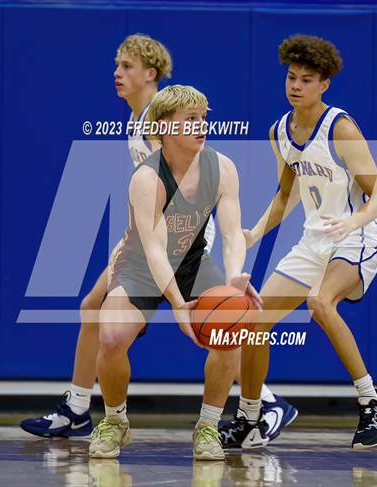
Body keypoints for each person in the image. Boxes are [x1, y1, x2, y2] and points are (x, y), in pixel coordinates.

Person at [20, 34, 296, 440]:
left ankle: (263, 401)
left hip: (186, 242)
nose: (117, 73)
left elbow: (182, 198)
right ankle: (78, 406)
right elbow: (152, 201)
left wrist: (206, 257)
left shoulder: (163, 123)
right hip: (153, 240)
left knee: (217, 320)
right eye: (117, 65)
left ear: (150, 74)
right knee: (95, 309)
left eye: (127, 66)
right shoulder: (137, 121)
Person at [220, 34, 377, 450]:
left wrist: (352, 222)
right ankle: (251, 419)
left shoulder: (340, 128)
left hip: (358, 234)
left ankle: (373, 403)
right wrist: (253, 233)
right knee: (253, 323)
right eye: (291, 77)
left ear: (324, 84)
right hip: (314, 239)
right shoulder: (280, 131)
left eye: (307, 79)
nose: (296, 86)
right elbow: (286, 194)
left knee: (320, 302)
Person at [88, 85, 261, 460]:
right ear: (164, 126)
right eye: (191, 119)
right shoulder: (147, 178)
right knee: (112, 335)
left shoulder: (222, 168)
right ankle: (115, 421)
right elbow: (153, 250)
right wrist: (179, 305)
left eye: (203, 118)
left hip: (193, 261)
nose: (202, 126)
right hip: (140, 265)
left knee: (230, 328)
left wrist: (234, 279)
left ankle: (208, 426)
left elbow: (233, 234)